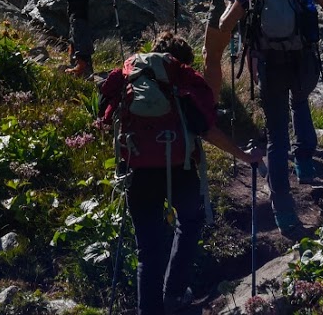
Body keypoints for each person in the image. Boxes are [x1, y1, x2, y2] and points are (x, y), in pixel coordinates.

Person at [98, 32, 260, 315]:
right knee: (190, 220)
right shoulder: (182, 77)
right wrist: (245, 156)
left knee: (147, 251)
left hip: (137, 170)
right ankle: (173, 293)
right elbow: (207, 129)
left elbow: (105, 115)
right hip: (179, 168)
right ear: (181, 59)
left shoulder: (130, 72)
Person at [211, 0, 323, 234]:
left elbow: (224, 24)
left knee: (275, 135)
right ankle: (306, 164)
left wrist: (232, 0)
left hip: (269, 63)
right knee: (299, 100)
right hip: (301, 60)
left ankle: (283, 210)